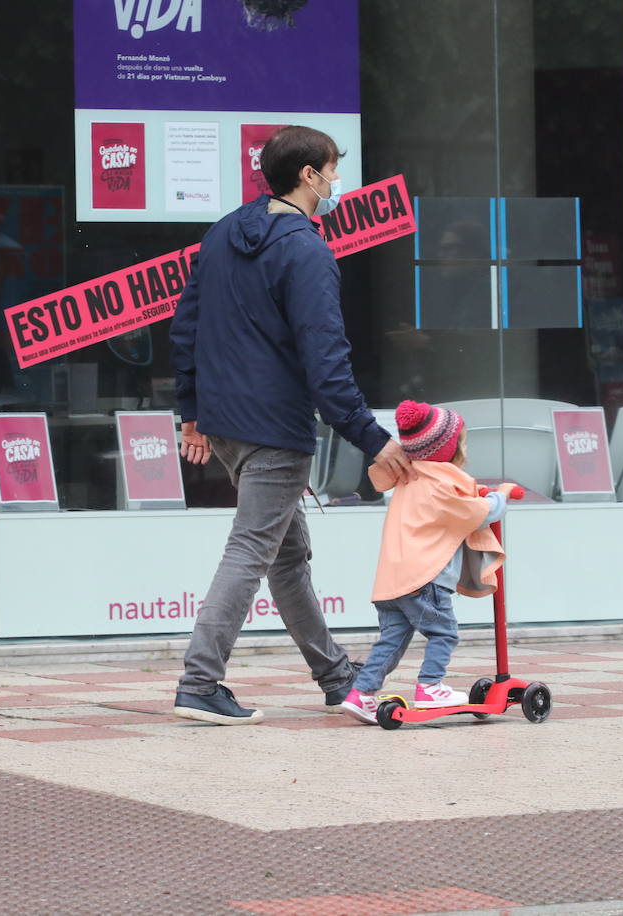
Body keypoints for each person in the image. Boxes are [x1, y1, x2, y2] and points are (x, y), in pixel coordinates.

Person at [169, 124, 413, 725]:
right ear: (309, 175)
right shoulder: (306, 250)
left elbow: (185, 326)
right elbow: (325, 359)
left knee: (286, 551)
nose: (336, 181)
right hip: (274, 428)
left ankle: (335, 675)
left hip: (226, 422)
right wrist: (372, 439)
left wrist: (193, 413)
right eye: (333, 169)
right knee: (254, 547)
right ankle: (199, 682)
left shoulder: (225, 231)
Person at [339, 401, 511, 724]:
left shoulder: (408, 477)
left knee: (391, 641)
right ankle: (430, 686)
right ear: (446, 449)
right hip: (424, 579)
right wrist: (500, 495)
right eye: (461, 442)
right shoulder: (441, 484)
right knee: (444, 632)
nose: (463, 448)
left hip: (392, 581)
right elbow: (478, 513)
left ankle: (360, 694)